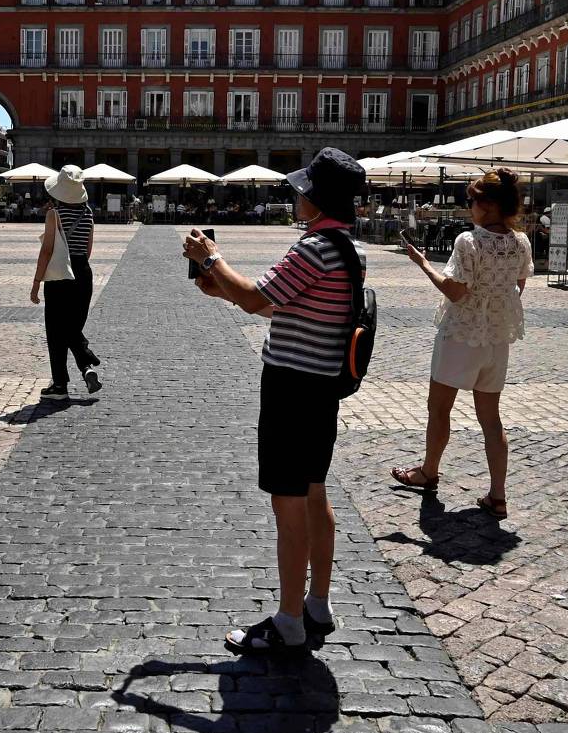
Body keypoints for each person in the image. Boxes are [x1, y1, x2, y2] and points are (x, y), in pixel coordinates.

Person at [183, 147, 369, 659]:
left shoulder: (313, 248)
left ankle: (288, 622)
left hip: (292, 388)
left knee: (288, 504)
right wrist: (222, 289)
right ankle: (318, 604)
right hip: (323, 385)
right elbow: (281, 304)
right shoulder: (348, 248)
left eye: (301, 190)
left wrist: (210, 259)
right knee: (314, 493)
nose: (295, 196)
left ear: (315, 198)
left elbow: (255, 297)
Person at [392, 166, 530, 518]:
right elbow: (519, 287)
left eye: (472, 200)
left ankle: (428, 471)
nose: (469, 206)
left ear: (488, 205)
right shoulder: (521, 242)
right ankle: (498, 495)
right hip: (497, 338)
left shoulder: (469, 241)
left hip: (462, 334)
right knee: (491, 419)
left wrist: (423, 263)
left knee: (439, 409)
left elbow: (455, 291)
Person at [32, 165, 102, 397]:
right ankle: (86, 367)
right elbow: (88, 250)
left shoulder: (54, 214)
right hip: (83, 272)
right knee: (72, 326)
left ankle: (61, 383)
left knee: (56, 329)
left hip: (61, 274)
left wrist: (36, 283)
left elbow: (46, 251)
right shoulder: (89, 213)